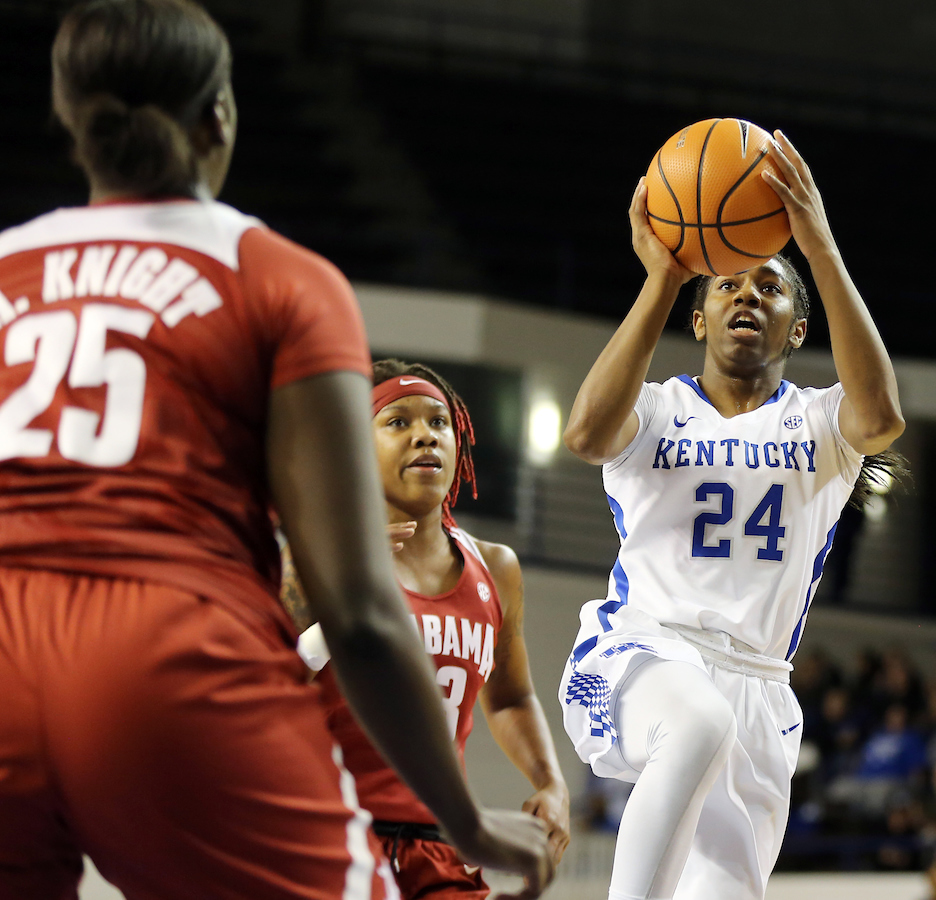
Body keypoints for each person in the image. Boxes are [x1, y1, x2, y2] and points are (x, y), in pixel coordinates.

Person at [0, 2, 550, 898]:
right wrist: (462, 815)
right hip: (158, 643)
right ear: (219, 118)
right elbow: (362, 610)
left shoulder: (6, 264)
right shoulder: (280, 278)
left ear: (69, 125)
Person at [559, 130, 906, 900]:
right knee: (696, 721)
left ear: (798, 328)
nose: (749, 294)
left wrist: (817, 247)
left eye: (772, 287)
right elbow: (584, 435)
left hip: (760, 693)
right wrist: (664, 277)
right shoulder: (653, 411)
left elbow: (880, 416)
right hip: (638, 655)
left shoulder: (820, 427)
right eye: (727, 287)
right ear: (701, 320)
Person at [281, 359, 571, 898]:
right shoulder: (313, 556)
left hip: (439, 840)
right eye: (397, 422)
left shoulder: (496, 569)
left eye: (438, 422)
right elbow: (261, 687)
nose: (424, 436)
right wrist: (336, 613)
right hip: (327, 835)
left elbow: (509, 697)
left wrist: (550, 782)